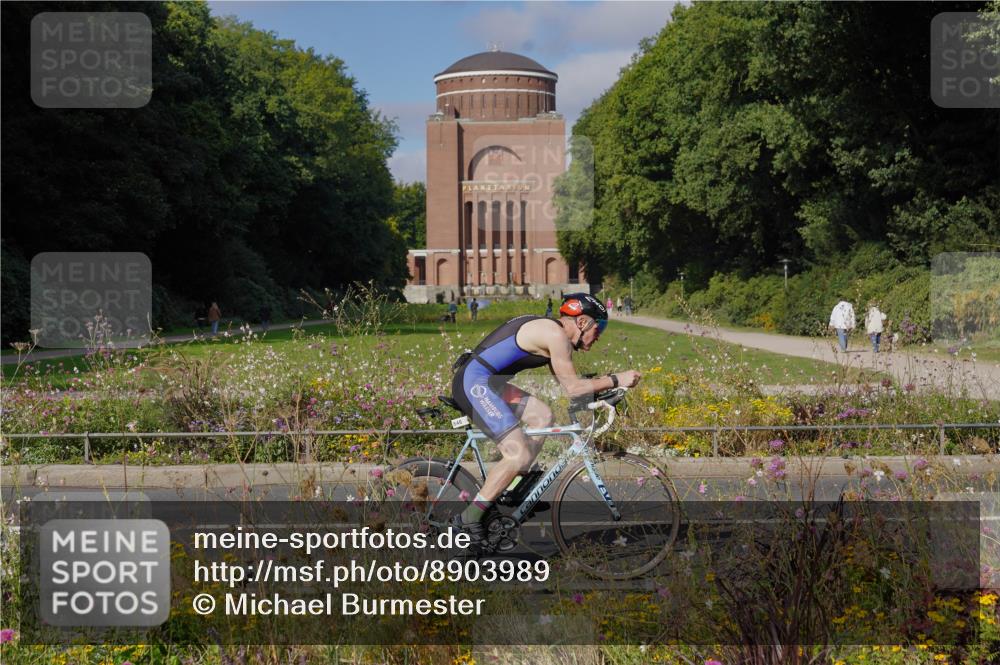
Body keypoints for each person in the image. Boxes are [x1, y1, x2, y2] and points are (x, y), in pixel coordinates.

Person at [449, 293, 642, 551]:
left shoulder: (553, 333)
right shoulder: (555, 335)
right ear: (583, 322)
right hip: (475, 383)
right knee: (517, 454)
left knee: (543, 416)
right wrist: (617, 379)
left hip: (489, 383)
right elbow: (573, 388)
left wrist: (602, 392)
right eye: (599, 328)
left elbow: (571, 388)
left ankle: (515, 487)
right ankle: (468, 518)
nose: (599, 336)